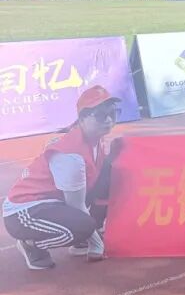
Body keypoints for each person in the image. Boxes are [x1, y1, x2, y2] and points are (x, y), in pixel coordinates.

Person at [4, 86, 121, 270]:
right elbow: (76, 205)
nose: (108, 120)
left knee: (110, 172)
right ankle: (31, 244)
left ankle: (82, 236)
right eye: (100, 115)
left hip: (55, 202)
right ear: (82, 119)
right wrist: (97, 245)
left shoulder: (96, 139)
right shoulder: (70, 155)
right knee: (83, 226)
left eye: (112, 113)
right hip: (24, 211)